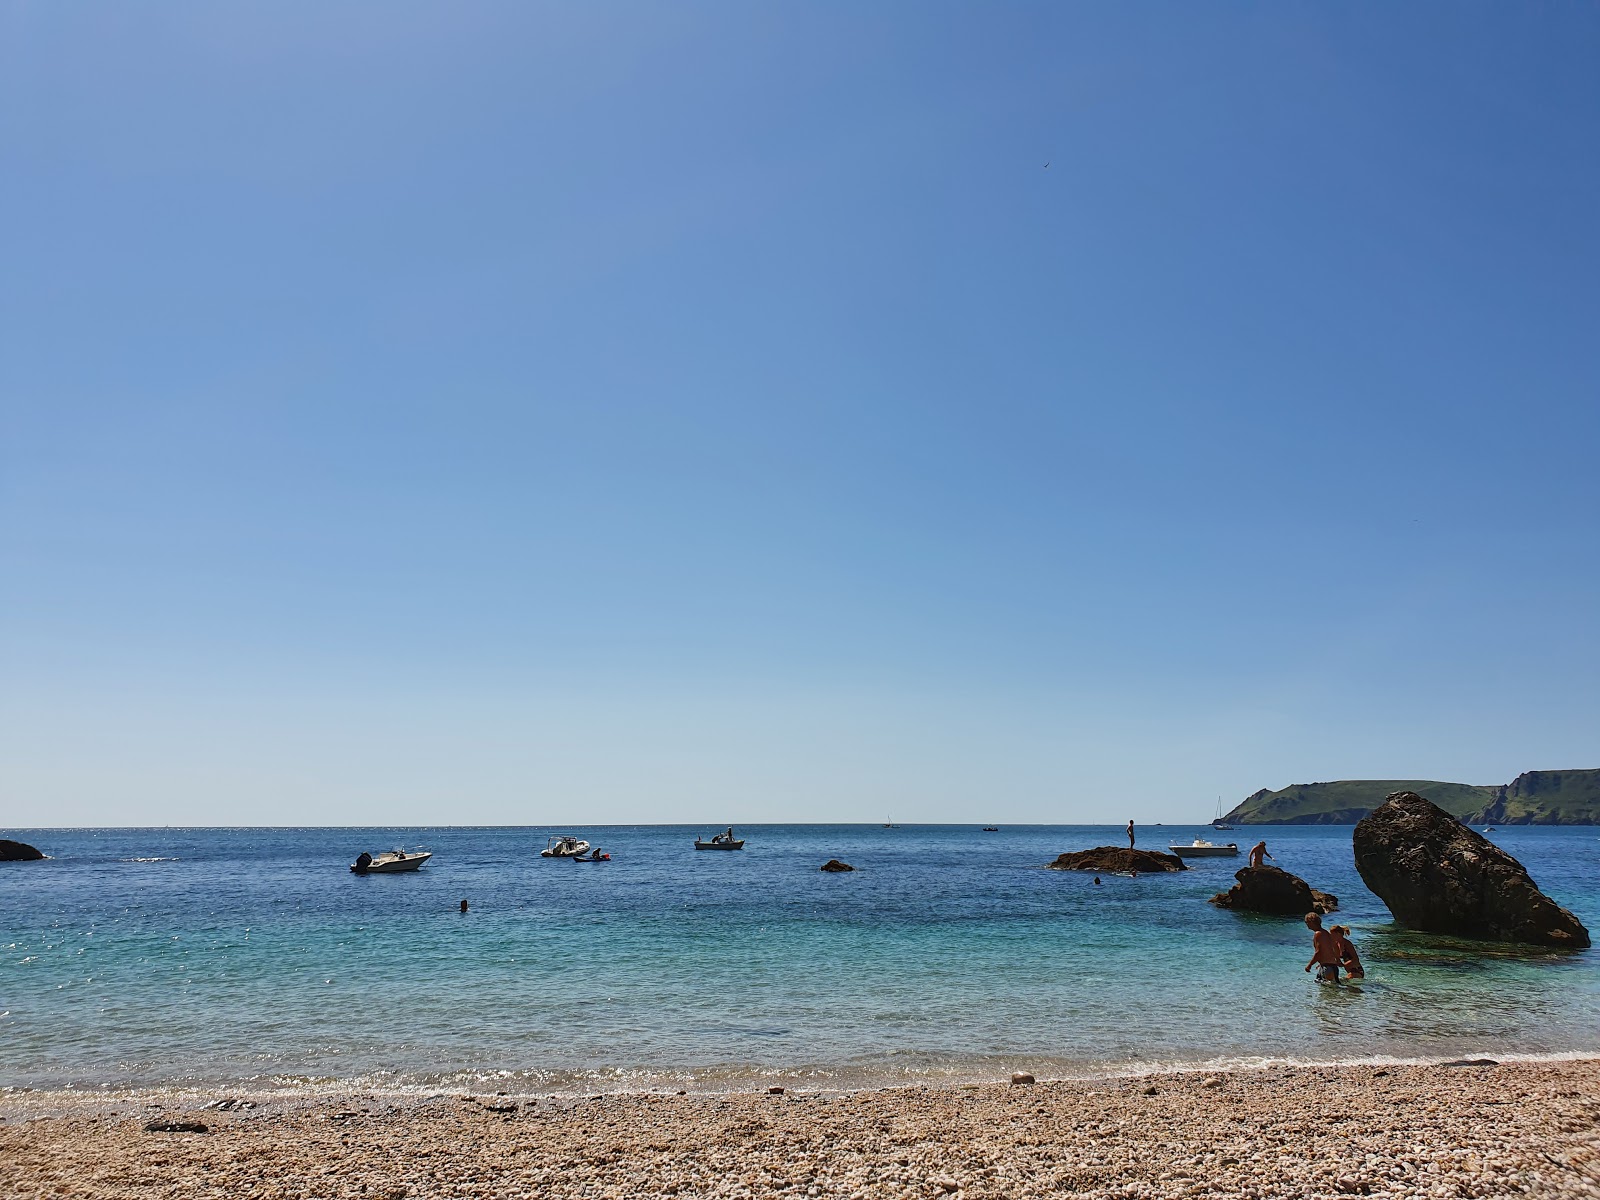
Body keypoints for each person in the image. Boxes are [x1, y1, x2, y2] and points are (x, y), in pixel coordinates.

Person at [1304, 912, 1340, 983]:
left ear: (1311, 922)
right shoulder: (1326, 933)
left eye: (1306, 922)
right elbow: (1335, 947)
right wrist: (1337, 959)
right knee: (1330, 991)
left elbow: (1318, 952)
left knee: (1328, 991)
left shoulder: (1318, 934)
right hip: (1332, 966)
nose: (1306, 924)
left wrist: (1309, 965)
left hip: (1327, 967)